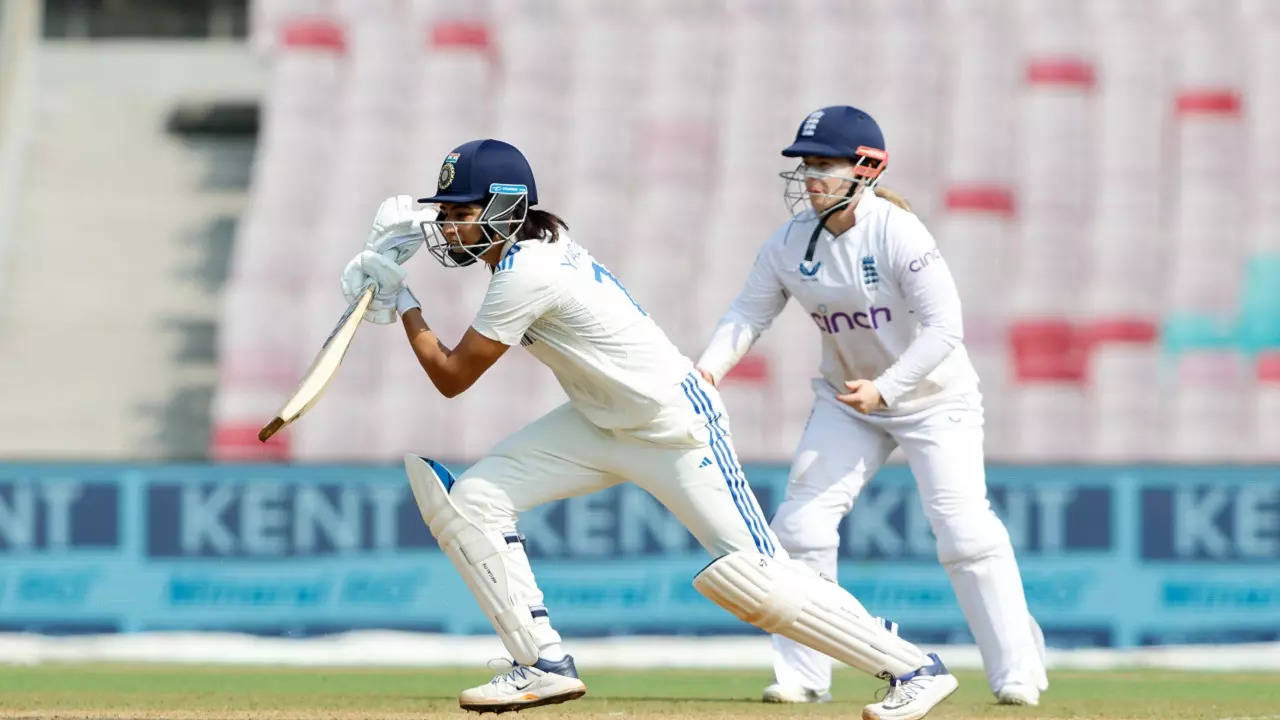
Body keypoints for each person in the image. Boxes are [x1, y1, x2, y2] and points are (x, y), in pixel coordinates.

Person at [340, 138, 959, 719]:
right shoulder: (526, 250)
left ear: (504, 207)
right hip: (598, 421)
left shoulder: (528, 271)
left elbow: (452, 377)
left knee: (754, 579)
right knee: (472, 501)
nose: (447, 226)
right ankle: (541, 663)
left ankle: (916, 669)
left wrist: (403, 299)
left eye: (459, 211)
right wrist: (401, 269)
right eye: (443, 212)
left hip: (673, 427)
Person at [695, 106, 1049, 707]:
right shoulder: (786, 244)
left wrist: (888, 387)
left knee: (964, 534)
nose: (810, 178)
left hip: (934, 398)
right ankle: (805, 674)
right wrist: (705, 373)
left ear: (866, 169)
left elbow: (945, 329)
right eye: (806, 165)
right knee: (800, 528)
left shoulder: (897, 232)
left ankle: (1018, 672)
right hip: (848, 401)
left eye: (824, 165)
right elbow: (747, 315)